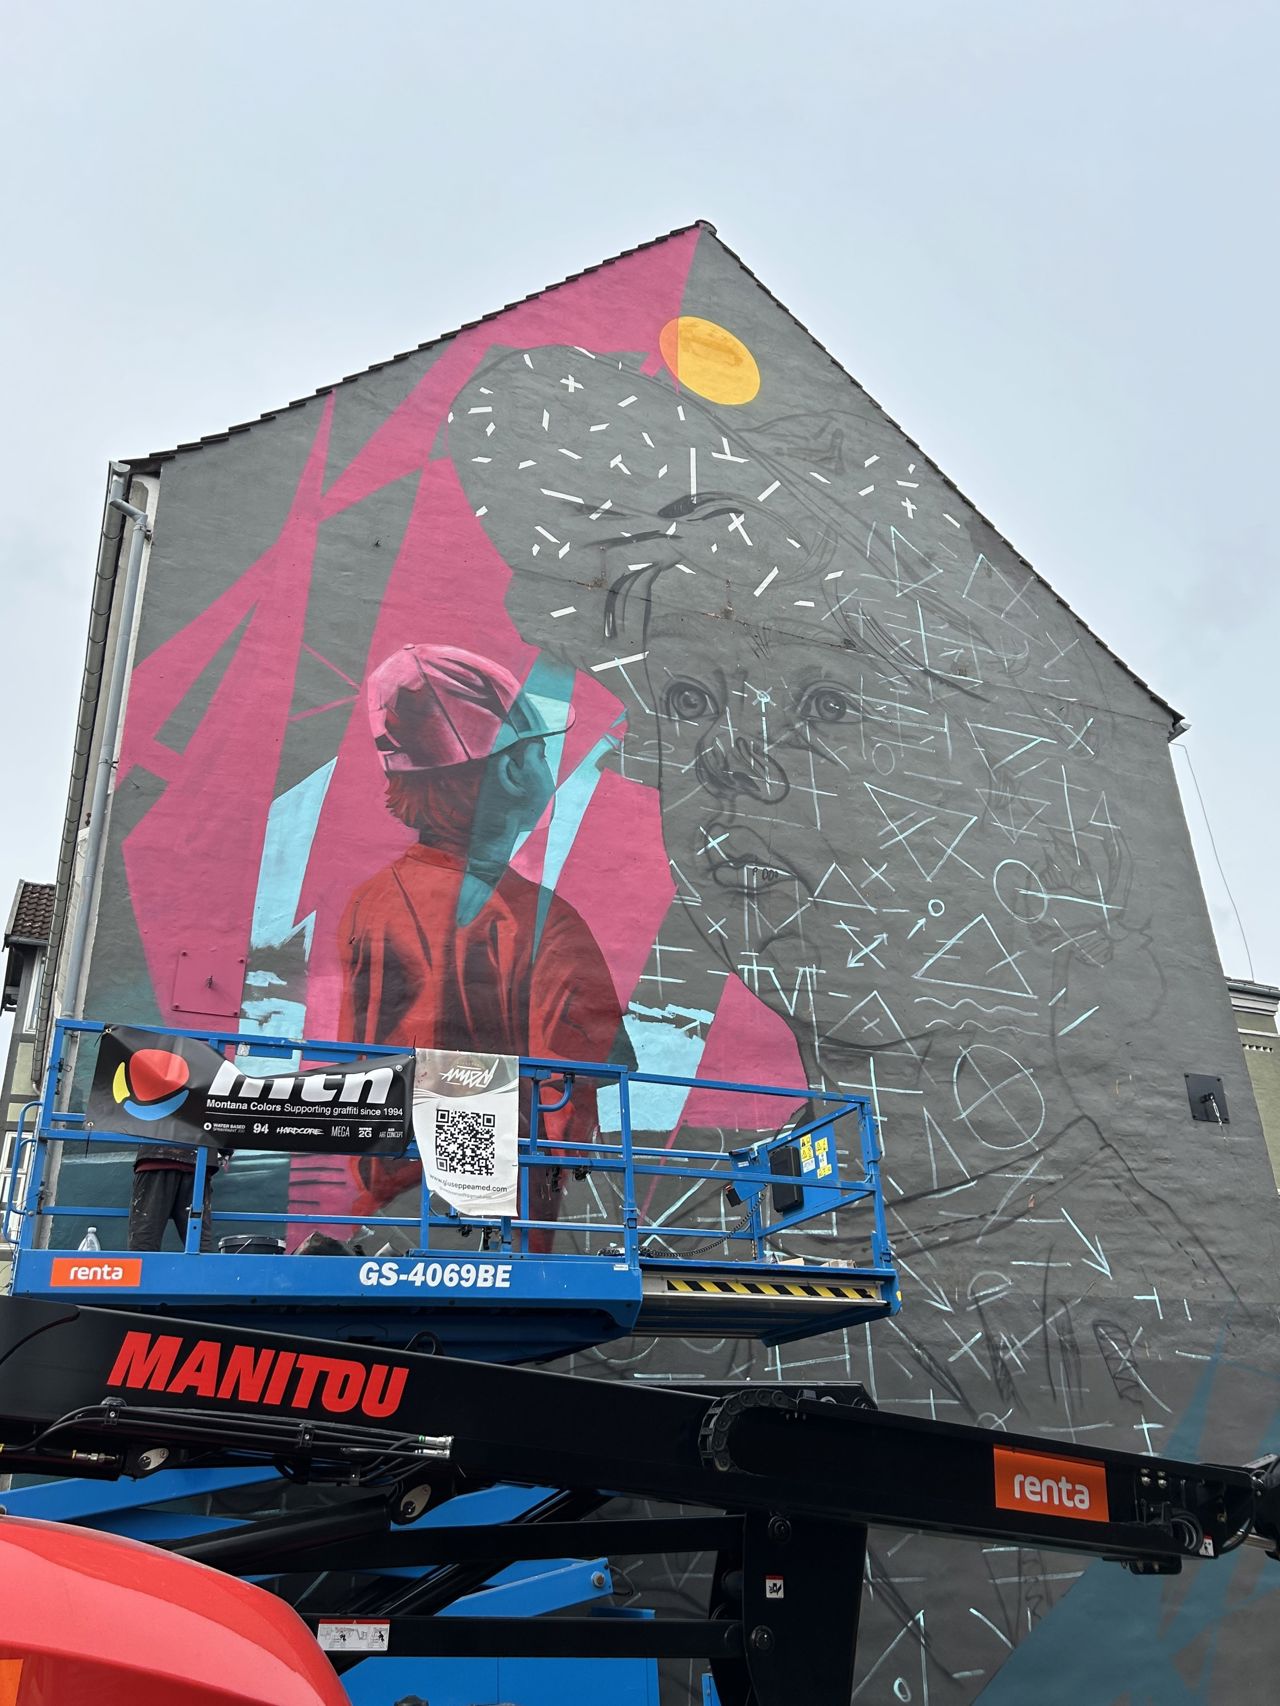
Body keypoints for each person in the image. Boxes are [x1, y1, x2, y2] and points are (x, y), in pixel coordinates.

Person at [338, 644, 623, 1249]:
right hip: (500, 1211)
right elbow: (572, 1092)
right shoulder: (544, 922)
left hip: (392, 1199)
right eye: (538, 752)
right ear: (513, 772)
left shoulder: (370, 901)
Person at [128, 1142, 229, 1252]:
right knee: (200, 1245)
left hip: (155, 1156)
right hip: (199, 1163)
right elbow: (230, 1135)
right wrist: (226, 1152)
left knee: (144, 1240)